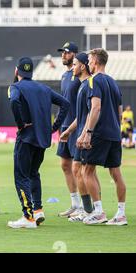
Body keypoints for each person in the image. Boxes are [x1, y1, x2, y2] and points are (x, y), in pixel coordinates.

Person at [7, 57, 69, 229]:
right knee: (34, 173)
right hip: (42, 138)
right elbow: (65, 104)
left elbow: (13, 101)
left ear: (16, 71)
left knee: (21, 176)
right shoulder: (43, 88)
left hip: (26, 137)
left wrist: (20, 124)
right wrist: (54, 128)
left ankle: (27, 217)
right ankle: (38, 209)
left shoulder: (15, 87)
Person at [78, 48, 127, 225]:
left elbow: (95, 108)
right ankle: (121, 214)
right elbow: (120, 113)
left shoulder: (93, 81)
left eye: (90, 60)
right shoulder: (114, 82)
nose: (88, 63)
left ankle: (98, 212)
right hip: (114, 133)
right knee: (116, 173)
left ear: (96, 62)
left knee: (87, 170)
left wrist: (87, 133)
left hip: (99, 133)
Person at [59, 52, 94, 222]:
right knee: (80, 170)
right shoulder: (82, 85)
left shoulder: (88, 85)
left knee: (84, 171)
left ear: (83, 65)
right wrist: (68, 131)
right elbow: (81, 115)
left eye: (75, 64)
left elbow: (91, 112)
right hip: (77, 130)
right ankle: (89, 209)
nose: (73, 67)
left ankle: (89, 210)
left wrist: (85, 133)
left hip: (84, 134)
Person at [55, 42, 83, 218]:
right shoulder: (65, 76)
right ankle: (74, 204)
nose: (63, 55)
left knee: (78, 168)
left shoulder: (80, 76)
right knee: (65, 165)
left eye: (66, 52)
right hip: (64, 125)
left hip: (76, 126)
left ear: (74, 54)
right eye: (62, 52)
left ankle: (84, 205)